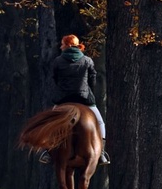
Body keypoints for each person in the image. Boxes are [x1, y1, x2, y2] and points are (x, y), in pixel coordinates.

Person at [39, 34, 110, 166]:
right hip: (83, 99)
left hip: (63, 99)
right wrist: (86, 91)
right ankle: (101, 153)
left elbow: (55, 79)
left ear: (68, 46)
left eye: (62, 44)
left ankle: (47, 152)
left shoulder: (58, 61)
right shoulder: (88, 60)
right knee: (100, 122)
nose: (60, 46)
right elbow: (92, 80)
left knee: (48, 123)